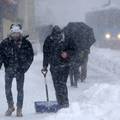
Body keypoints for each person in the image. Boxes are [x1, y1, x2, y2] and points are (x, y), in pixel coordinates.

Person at [0, 24, 34, 117]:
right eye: (13, 33)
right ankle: (10, 106)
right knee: (7, 89)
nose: (15, 35)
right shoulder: (4, 43)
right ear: (11, 33)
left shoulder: (26, 44)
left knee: (20, 90)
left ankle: (19, 109)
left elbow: (30, 57)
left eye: (17, 33)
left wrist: (24, 68)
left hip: (20, 70)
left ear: (20, 33)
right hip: (9, 69)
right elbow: (0, 56)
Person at [42, 25, 76, 108]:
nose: (56, 37)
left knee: (62, 84)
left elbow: (74, 49)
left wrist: (67, 54)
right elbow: (46, 54)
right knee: (56, 85)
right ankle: (60, 103)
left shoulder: (66, 39)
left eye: (58, 35)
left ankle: (65, 103)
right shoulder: (49, 40)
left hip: (64, 65)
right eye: (54, 36)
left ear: (61, 33)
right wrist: (45, 66)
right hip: (54, 66)